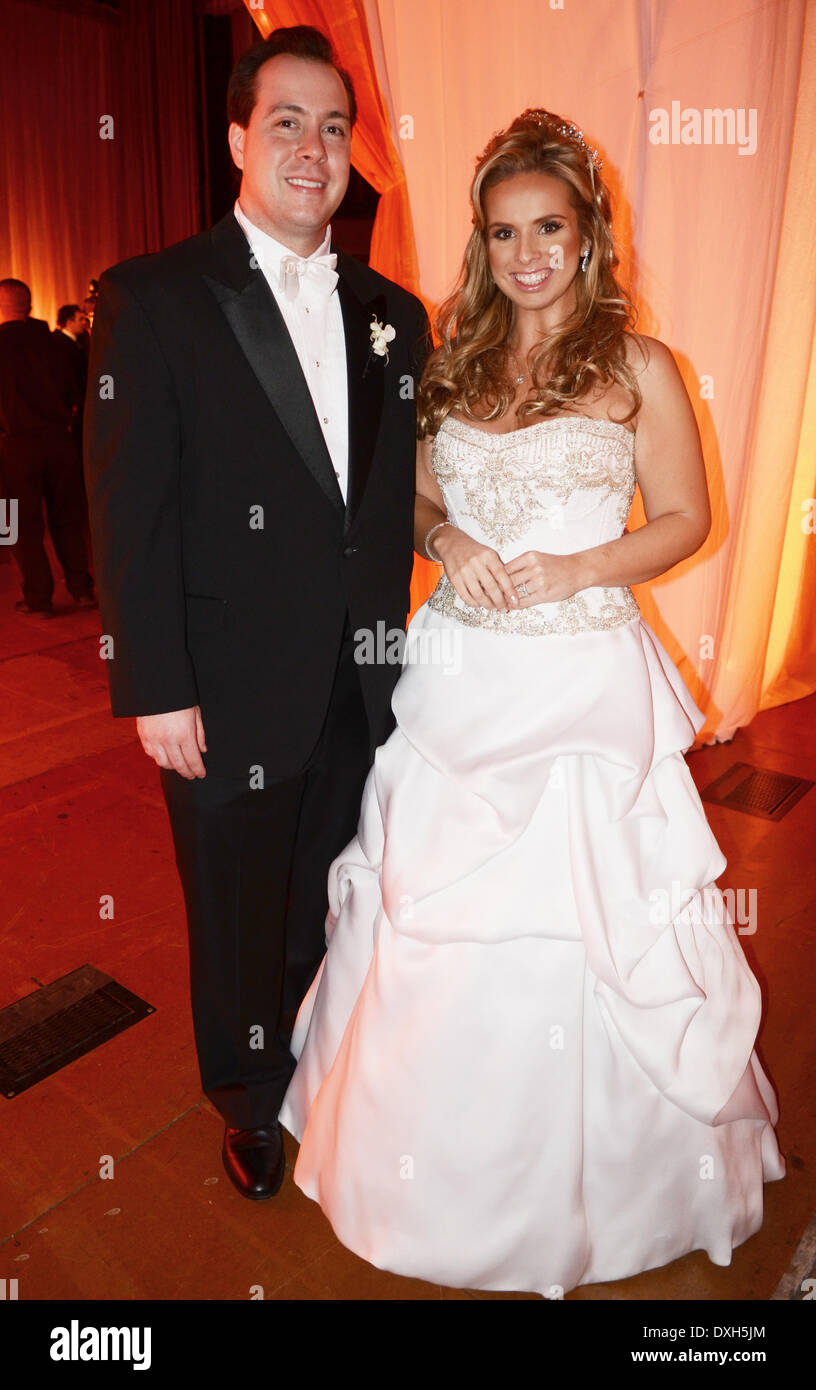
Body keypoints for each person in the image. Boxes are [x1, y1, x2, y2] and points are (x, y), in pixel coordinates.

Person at [278, 110, 785, 1296]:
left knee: (602, 915)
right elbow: (404, 505)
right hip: (465, 678)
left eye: (548, 226)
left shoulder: (639, 367)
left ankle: (604, 1188)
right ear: (483, 242)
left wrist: (579, 567)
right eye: (504, 230)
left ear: (587, 233)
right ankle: (420, 1169)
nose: (526, 252)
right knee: (427, 903)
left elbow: (687, 518)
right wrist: (448, 533)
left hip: (583, 682)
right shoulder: (452, 358)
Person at [83, 27, 430, 1201]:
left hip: (364, 674)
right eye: (287, 120)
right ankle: (245, 1097)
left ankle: (319, 1061)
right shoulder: (156, 297)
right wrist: (154, 682)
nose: (313, 147)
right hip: (221, 683)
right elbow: (128, 507)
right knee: (234, 905)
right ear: (238, 137)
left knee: (330, 886)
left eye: (334, 127)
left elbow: (391, 502)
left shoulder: (397, 315)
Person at [0, 278, 96, 614]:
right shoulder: (55, 344)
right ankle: (82, 590)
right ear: (28, 303)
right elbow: (77, 393)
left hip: (13, 450)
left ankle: (38, 598)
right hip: (60, 443)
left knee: (14, 526)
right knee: (68, 520)